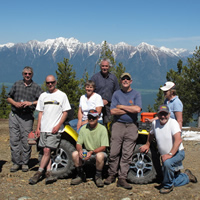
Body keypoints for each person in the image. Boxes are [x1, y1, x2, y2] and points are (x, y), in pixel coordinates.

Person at [140, 104, 197, 194]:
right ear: (158, 115)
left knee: (167, 165)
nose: (163, 116)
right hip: (166, 155)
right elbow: (151, 134)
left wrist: (170, 154)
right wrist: (147, 144)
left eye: (165, 114)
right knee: (166, 176)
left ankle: (168, 186)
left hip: (178, 152)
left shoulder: (173, 123)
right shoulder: (155, 123)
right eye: (161, 114)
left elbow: (178, 140)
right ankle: (185, 176)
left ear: (169, 114)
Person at [29, 75, 71, 185]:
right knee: (45, 151)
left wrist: (58, 125)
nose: (50, 84)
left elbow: (65, 112)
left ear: (55, 82)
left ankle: (38, 172)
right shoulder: (43, 96)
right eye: (48, 83)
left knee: (47, 150)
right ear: (46, 83)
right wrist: (38, 127)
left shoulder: (62, 95)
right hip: (44, 128)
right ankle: (49, 173)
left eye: (52, 82)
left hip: (54, 129)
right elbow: (40, 112)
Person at [104, 72, 142, 189]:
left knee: (127, 154)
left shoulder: (136, 94)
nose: (125, 80)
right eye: (123, 79)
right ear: (121, 81)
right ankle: (111, 175)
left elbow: (138, 109)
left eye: (127, 79)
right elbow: (113, 111)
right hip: (118, 125)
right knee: (114, 152)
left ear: (131, 81)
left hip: (131, 126)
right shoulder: (116, 94)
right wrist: (130, 109)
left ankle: (122, 178)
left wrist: (122, 107)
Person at [7, 66, 43, 172]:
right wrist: (15, 103)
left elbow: (42, 100)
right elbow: (8, 97)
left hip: (27, 116)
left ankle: (25, 163)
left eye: (29, 74)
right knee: (14, 139)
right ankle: (16, 162)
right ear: (22, 74)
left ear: (32, 75)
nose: (27, 75)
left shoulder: (36, 87)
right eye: (25, 74)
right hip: (14, 115)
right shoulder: (17, 84)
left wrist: (30, 103)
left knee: (26, 140)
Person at [70, 109, 109, 187]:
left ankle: (98, 176)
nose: (91, 119)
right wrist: (80, 150)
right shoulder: (84, 129)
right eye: (89, 117)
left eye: (93, 117)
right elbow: (79, 143)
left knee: (100, 156)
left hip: (97, 152)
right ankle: (80, 175)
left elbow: (104, 147)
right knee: (75, 154)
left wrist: (92, 152)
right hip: (87, 152)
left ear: (97, 118)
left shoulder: (102, 129)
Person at [91, 58, 120, 125]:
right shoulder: (95, 78)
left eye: (106, 66)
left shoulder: (113, 78)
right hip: (96, 107)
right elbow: (90, 92)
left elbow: (117, 93)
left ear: (109, 67)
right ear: (100, 66)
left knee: (108, 125)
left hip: (109, 106)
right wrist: (100, 101)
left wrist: (109, 100)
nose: (104, 68)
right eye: (103, 66)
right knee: (95, 124)